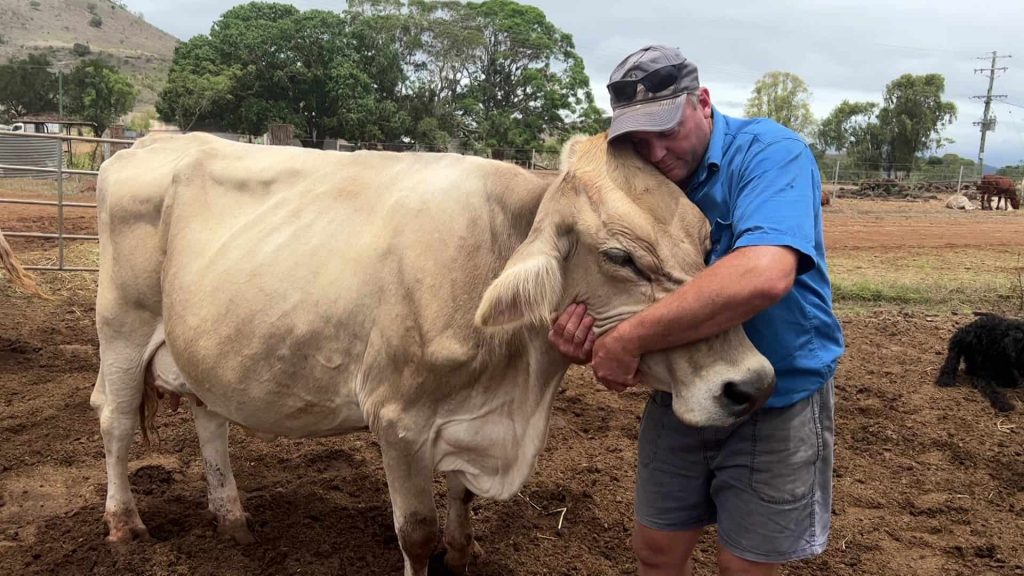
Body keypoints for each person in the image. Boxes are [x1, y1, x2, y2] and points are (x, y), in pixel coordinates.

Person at [548, 45, 844, 576]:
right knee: (656, 552)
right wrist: (586, 334)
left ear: (702, 102)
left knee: (744, 566)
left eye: (667, 131)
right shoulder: (636, 182)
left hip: (775, 395)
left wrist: (630, 340)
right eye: (638, 139)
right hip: (678, 387)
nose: (656, 152)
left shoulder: (771, 153)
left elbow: (764, 273)